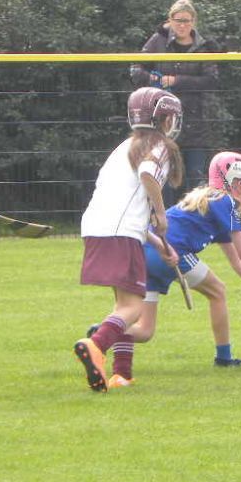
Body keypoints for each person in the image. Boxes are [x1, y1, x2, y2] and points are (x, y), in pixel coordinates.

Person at [90, 152, 241, 383]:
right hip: (171, 252)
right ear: (236, 181)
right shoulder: (224, 202)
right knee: (217, 291)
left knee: (144, 331)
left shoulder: (211, 202)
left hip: (142, 252)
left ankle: (104, 333)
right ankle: (224, 357)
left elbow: (236, 262)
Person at [73, 87, 184, 392]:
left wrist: (160, 245)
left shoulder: (123, 147)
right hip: (121, 232)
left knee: (122, 303)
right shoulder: (159, 146)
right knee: (133, 307)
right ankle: (96, 345)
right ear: (164, 118)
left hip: (97, 228)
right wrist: (161, 213)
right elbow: (148, 173)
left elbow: (128, 205)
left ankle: (121, 374)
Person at [130, 0, 221, 192]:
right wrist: (154, 80)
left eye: (186, 21)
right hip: (162, 124)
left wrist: (176, 81)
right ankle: (164, 212)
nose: (182, 25)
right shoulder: (157, 41)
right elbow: (136, 71)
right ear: (170, 20)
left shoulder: (204, 47)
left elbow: (211, 80)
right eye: (178, 20)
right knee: (164, 179)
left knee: (196, 180)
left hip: (195, 122)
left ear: (193, 22)